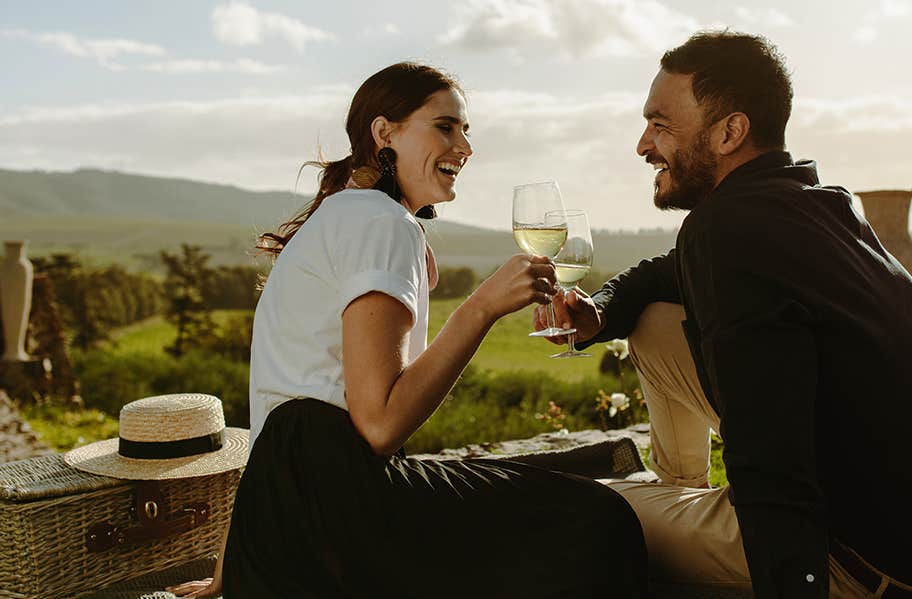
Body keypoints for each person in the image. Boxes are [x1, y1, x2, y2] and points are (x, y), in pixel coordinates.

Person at [169, 62, 648, 599]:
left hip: (285, 522)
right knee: (596, 517)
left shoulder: (344, 216)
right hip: (340, 509)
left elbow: (275, 418)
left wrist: (232, 567)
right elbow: (378, 426)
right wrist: (482, 308)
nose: (464, 147)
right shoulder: (382, 222)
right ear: (384, 133)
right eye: (445, 127)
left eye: (466, 131)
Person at [537, 31, 912, 598]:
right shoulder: (808, 202)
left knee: (573, 507)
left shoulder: (727, 232)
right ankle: (682, 493)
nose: (643, 145)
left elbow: (769, 446)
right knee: (651, 319)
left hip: (851, 559)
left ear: (730, 132)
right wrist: (598, 314)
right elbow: (659, 275)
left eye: (661, 125)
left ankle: (680, 526)